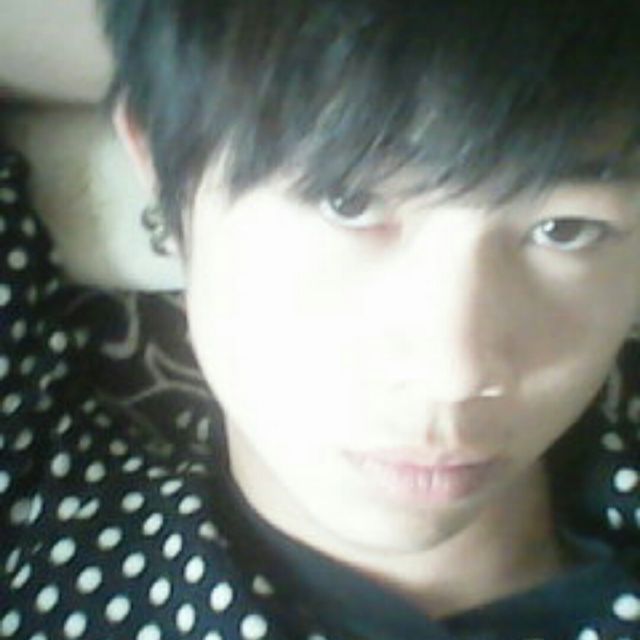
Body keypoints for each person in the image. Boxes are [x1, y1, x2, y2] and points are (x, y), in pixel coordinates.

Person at [2, 1, 640, 639]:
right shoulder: (38, 507)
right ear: (158, 163)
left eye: (565, 230)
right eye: (348, 202)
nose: (454, 375)